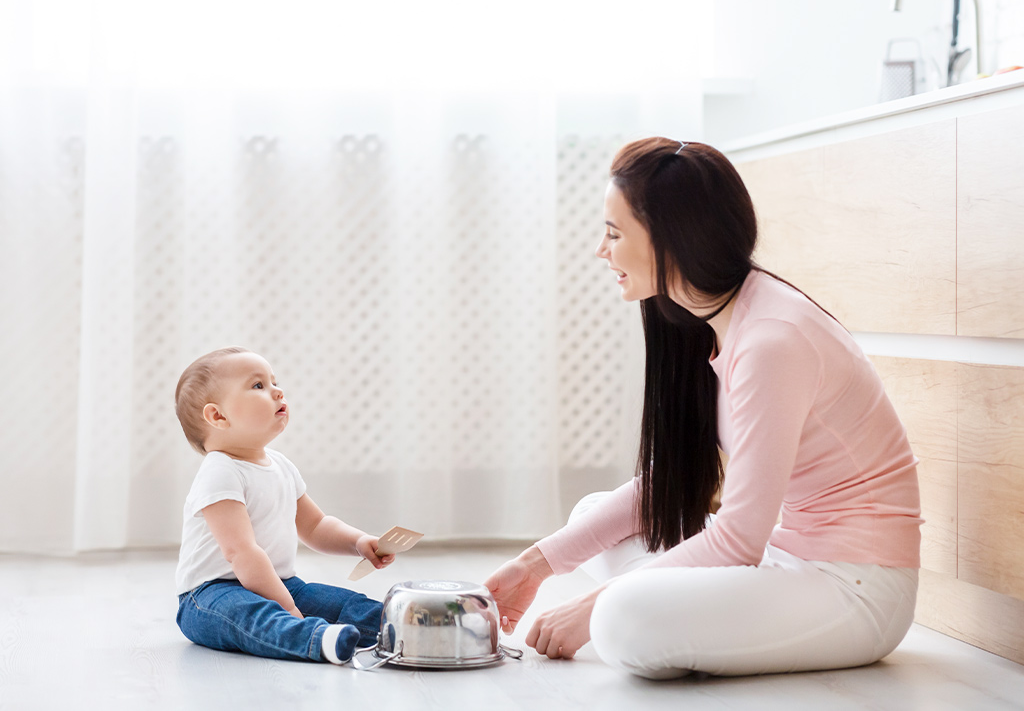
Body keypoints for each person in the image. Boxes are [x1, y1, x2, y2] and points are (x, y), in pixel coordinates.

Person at [484, 138, 922, 679]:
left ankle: (659, 611)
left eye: (614, 234)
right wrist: (535, 565)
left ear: (670, 239)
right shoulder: (710, 315)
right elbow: (671, 485)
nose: (601, 250)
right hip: (784, 556)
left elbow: (739, 538)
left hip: (856, 588)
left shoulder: (772, 342)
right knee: (593, 514)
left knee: (621, 619)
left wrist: (596, 605)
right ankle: (677, 611)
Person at [173, 346, 393, 665]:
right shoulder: (220, 472)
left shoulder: (281, 466)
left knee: (343, 603)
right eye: (258, 385)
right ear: (218, 416)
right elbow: (241, 553)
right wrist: (288, 607)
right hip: (211, 595)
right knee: (254, 616)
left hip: (278, 582)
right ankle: (316, 639)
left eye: (274, 382)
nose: (277, 391)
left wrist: (358, 542)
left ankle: (399, 626)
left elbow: (315, 526)